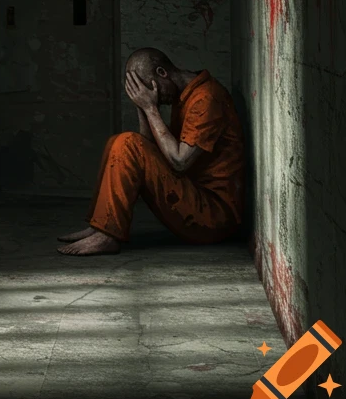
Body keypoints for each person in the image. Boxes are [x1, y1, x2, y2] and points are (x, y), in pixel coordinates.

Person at [57, 47, 244, 256]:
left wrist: (151, 108)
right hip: (193, 196)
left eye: (149, 88)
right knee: (117, 143)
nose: (152, 97)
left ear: (162, 73)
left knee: (127, 143)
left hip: (214, 216)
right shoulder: (184, 92)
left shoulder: (206, 98)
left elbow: (180, 161)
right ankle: (102, 224)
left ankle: (108, 234)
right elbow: (144, 149)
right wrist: (142, 106)